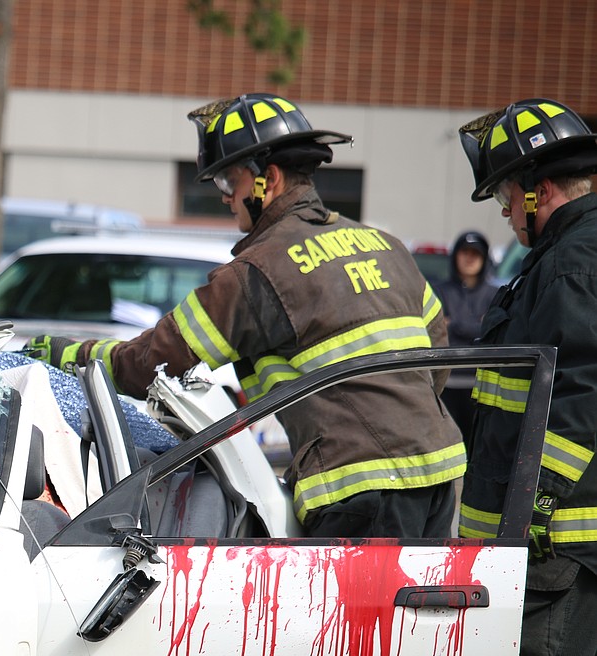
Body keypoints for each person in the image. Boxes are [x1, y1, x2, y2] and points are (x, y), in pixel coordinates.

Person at [27, 93, 463, 538]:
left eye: (227, 182)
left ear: (266, 179)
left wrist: (72, 355)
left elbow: (152, 362)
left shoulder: (259, 272)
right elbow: (437, 357)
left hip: (357, 493)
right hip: (439, 476)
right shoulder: (385, 246)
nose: (224, 198)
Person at [456, 98, 597, 656]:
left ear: (537, 188)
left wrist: (535, 504)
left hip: (558, 540)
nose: (507, 212)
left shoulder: (571, 265)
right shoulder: (572, 255)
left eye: (508, 195)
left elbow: (581, 396)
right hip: (572, 541)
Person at [432, 229, 499, 434]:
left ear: (484, 259)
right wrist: (478, 325)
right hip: (446, 384)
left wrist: (454, 324)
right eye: (465, 252)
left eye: (476, 253)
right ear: (455, 256)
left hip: (482, 385)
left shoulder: (496, 294)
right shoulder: (439, 291)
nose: (470, 258)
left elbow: (494, 332)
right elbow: (435, 331)